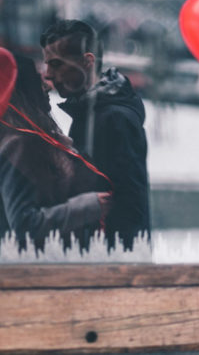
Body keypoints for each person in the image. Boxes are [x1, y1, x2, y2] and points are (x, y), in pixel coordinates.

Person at [0, 53, 110, 254]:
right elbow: (25, 224)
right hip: (31, 272)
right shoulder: (18, 144)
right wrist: (90, 205)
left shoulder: (28, 140)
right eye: (39, 82)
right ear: (23, 90)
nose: (47, 87)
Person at [40, 20, 150, 250]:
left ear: (87, 62)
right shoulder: (89, 113)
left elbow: (129, 203)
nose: (48, 74)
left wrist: (122, 267)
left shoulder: (113, 119)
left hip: (110, 263)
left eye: (56, 64)